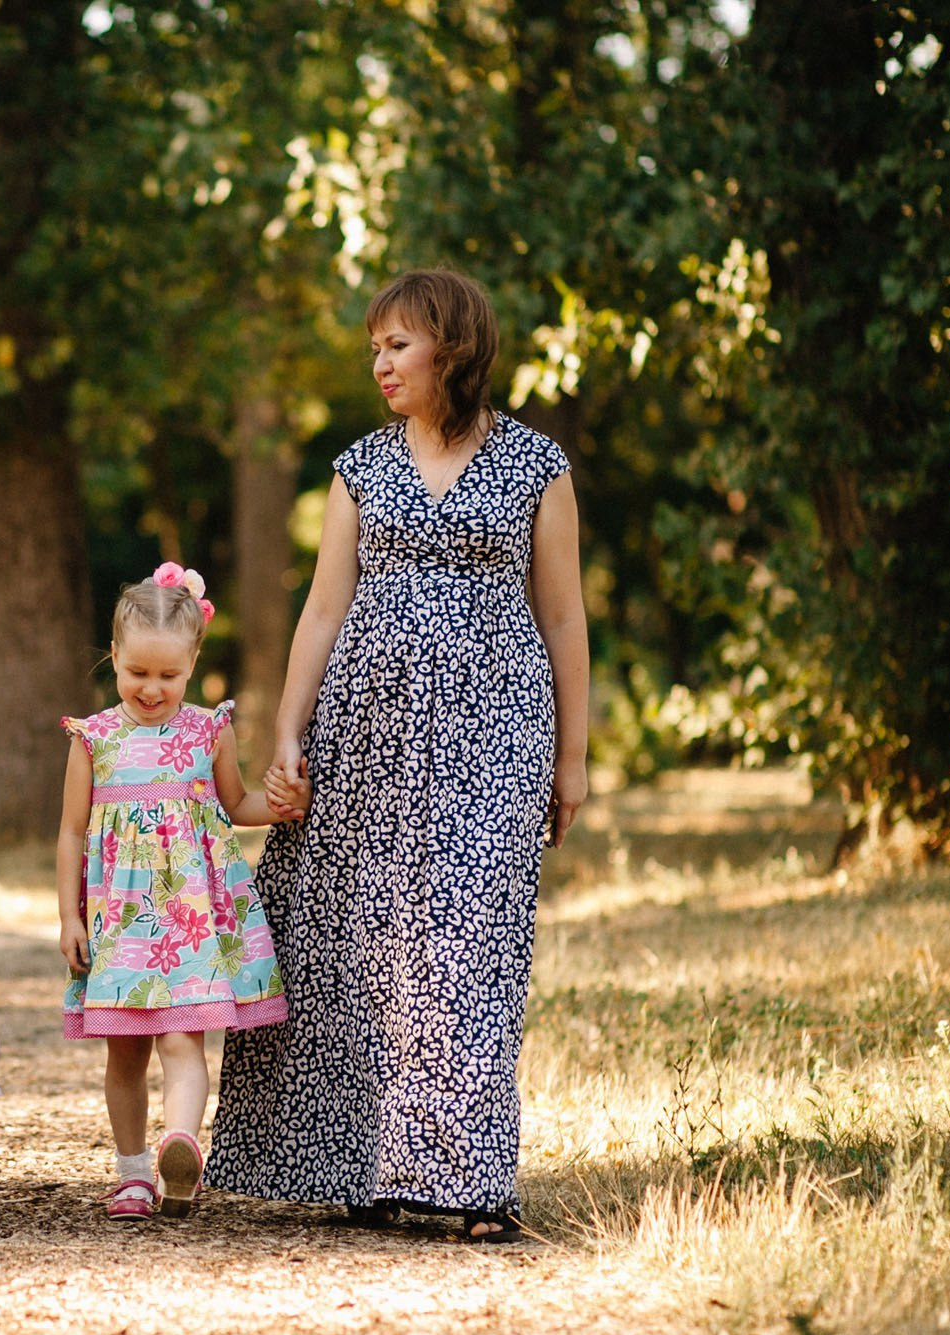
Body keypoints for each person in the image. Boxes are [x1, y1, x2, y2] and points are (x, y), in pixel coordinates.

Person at [207, 268, 589, 1244]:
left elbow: (562, 615)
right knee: (353, 946)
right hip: (364, 734)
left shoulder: (536, 466)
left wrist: (572, 758)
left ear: (452, 350)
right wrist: (288, 730)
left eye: (397, 345)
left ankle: (468, 1180)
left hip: (496, 733)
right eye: (375, 347)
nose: (379, 363)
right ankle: (366, 1163)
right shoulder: (361, 468)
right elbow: (325, 606)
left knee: (468, 943)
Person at [57, 566, 289, 1222]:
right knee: (125, 1050)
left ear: (193, 664)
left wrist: (281, 806)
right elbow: (72, 831)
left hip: (188, 916)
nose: (152, 689)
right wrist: (68, 917)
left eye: (168, 676)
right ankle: (133, 1174)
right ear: (114, 658)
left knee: (184, 1040)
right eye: (137, 673)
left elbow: (236, 803)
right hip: (121, 919)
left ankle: (179, 1147)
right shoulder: (94, 738)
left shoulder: (208, 730)